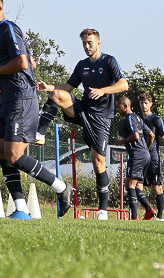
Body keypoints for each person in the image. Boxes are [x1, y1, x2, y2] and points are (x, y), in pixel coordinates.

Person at [0, 0, 71, 219]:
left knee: (14, 156)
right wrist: (0, 84)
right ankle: (20, 208)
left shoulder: (8, 27)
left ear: (0, 8)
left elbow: (22, 62)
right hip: (8, 98)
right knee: (2, 154)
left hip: (21, 100)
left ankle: (61, 187)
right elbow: (31, 62)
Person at [36, 28, 128, 219]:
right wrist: (48, 87)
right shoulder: (82, 65)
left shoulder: (109, 61)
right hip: (83, 110)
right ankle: (40, 133)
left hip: (101, 118)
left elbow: (123, 84)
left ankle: (102, 210)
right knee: (57, 95)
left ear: (98, 43)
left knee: (98, 163)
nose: (87, 46)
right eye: (84, 43)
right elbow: (68, 87)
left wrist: (103, 91)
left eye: (90, 43)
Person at [114, 95, 156, 220]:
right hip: (145, 155)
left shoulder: (129, 118)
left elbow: (136, 136)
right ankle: (149, 210)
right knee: (133, 185)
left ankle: (134, 217)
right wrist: (146, 150)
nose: (117, 109)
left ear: (125, 106)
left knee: (130, 186)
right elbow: (151, 135)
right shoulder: (138, 118)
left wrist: (121, 142)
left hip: (137, 155)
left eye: (118, 107)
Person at [139, 92, 164, 221]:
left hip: (153, 158)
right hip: (141, 157)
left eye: (146, 103)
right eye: (141, 103)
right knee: (137, 185)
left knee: (156, 186)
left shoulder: (156, 120)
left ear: (151, 104)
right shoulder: (137, 120)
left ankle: (159, 217)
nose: (144, 105)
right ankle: (145, 211)